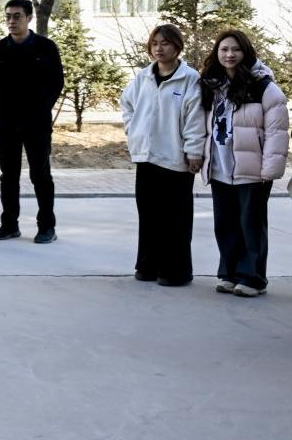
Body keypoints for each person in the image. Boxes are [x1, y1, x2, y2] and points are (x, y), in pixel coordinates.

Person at [200, 30, 287, 297]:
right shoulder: (212, 85)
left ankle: (252, 278)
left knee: (251, 224)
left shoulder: (263, 87)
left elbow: (277, 131)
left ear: (246, 52)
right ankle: (229, 273)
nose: (230, 54)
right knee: (225, 224)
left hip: (253, 169)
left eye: (236, 49)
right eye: (224, 49)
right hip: (220, 166)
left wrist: (270, 169)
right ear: (217, 52)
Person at [119, 24, 206, 287]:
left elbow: (195, 118)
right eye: (155, 43)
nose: (159, 48)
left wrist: (194, 151)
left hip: (175, 158)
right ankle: (147, 266)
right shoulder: (143, 77)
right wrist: (133, 129)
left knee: (175, 219)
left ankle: (175, 271)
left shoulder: (189, 78)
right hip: (146, 157)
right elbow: (127, 104)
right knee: (148, 215)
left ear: (177, 47)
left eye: (165, 43)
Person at [0, 0, 65, 244]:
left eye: (17, 16)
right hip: (5, 123)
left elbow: (56, 83)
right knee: (8, 175)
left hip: (36, 122)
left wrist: (40, 108)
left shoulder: (46, 47)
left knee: (40, 174)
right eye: (8, 16)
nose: (11, 21)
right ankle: (9, 224)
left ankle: (47, 227)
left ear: (29, 18)